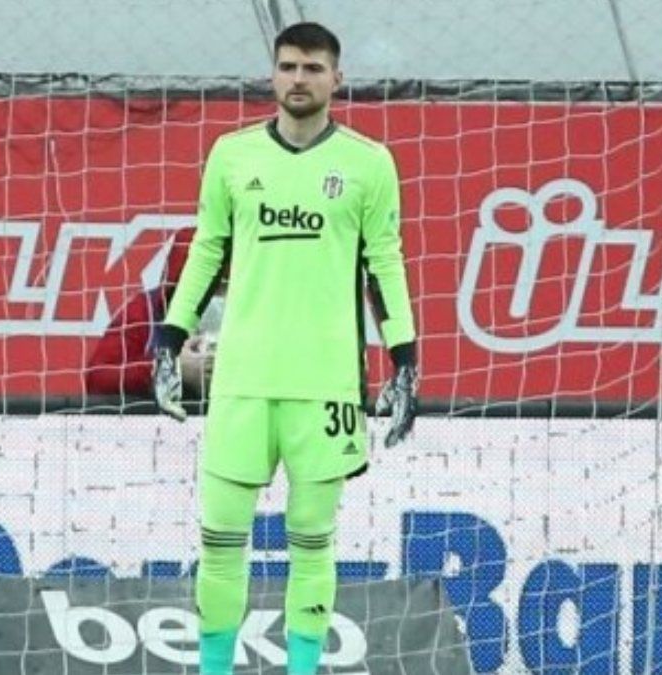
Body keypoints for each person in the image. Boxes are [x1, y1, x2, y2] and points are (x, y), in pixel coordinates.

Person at [151, 21, 418, 675]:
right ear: (273, 74)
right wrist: (169, 338)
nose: (300, 79)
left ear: (337, 79)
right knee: (220, 541)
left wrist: (405, 358)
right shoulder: (233, 155)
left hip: (325, 384)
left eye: (313, 68)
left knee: (312, 542)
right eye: (289, 66)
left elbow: (385, 264)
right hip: (241, 379)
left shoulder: (368, 163)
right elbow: (206, 250)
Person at [84, 228, 218, 398]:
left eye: (222, 284)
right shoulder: (147, 310)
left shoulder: (248, 316)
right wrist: (169, 368)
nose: (212, 297)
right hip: (168, 414)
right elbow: (98, 377)